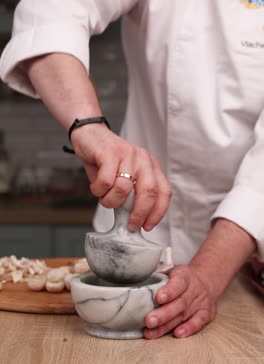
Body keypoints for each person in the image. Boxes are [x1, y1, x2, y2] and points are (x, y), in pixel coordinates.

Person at [1, 0, 263, 340]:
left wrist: (207, 275)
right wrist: (89, 126)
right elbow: (52, 11)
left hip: (250, 263)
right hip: (143, 253)